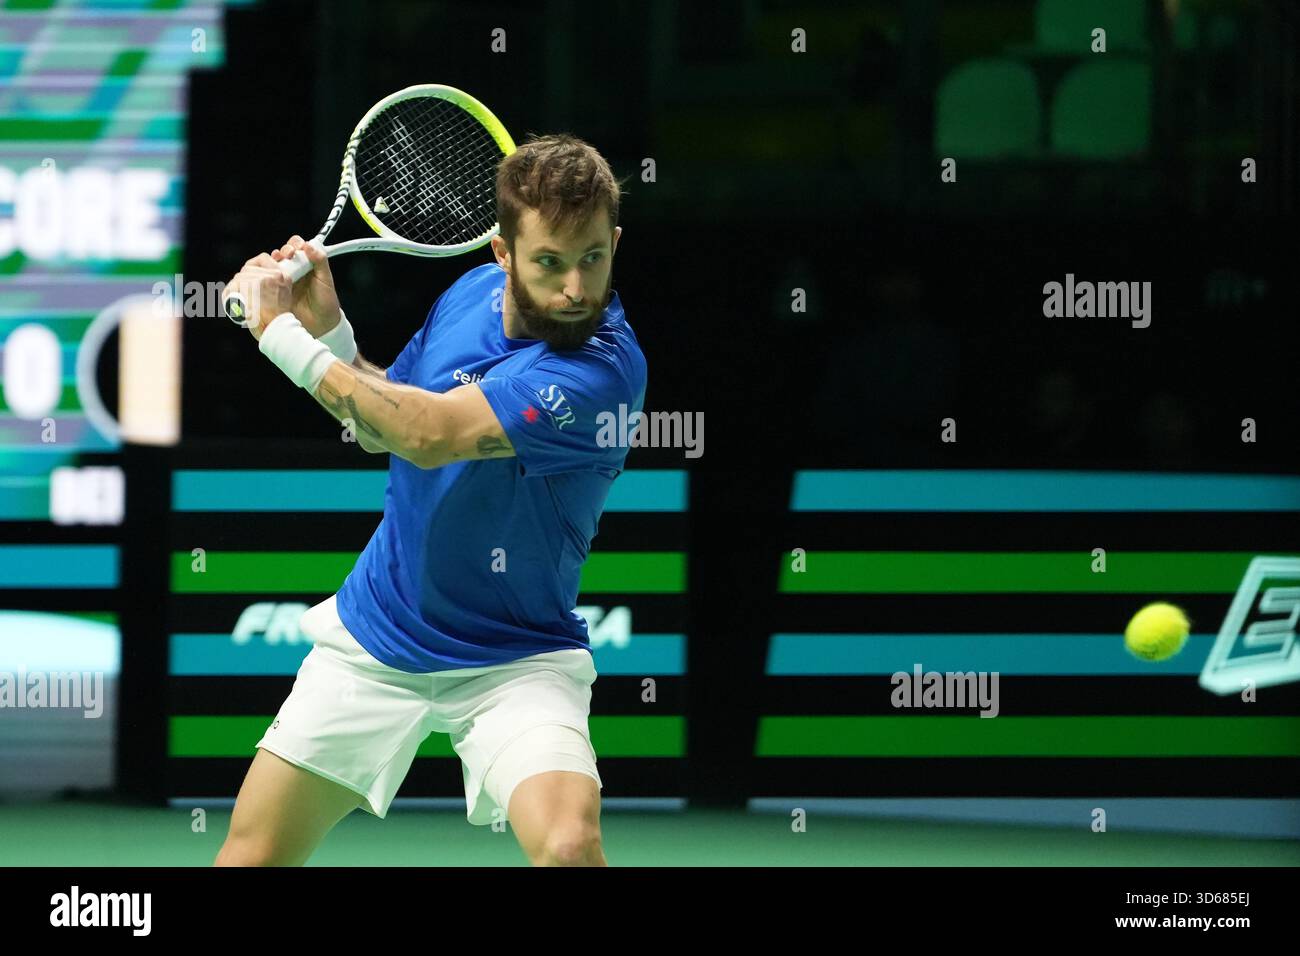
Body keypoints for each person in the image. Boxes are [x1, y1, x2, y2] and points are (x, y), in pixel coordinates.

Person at [215, 134, 644, 866]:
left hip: (515, 657)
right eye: (549, 262)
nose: (575, 287)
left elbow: (430, 434)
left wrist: (278, 334)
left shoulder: (601, 371)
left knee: (569, 846)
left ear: (615, 242)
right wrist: (332, 334)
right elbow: (383, 422)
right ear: (502, 255)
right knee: (250, 858)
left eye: (593, 257)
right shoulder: (467, 296)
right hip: (379, 633)